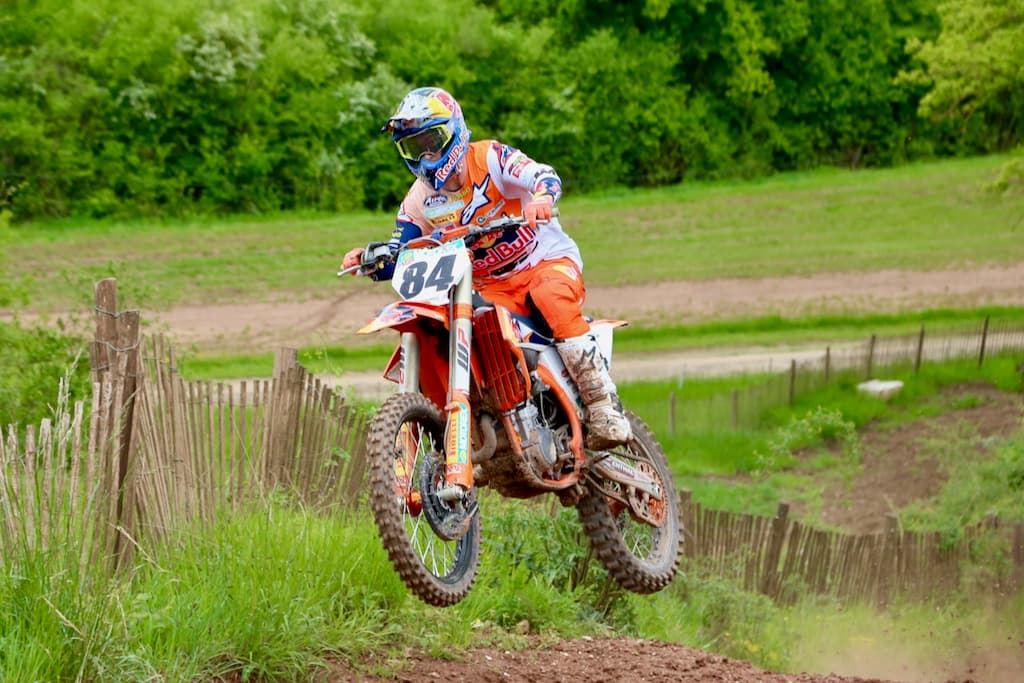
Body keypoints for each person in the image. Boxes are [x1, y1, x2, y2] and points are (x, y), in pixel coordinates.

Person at [342, 86, 630, 448]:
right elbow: (404, 249)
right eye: (414, 148)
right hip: (489, 286)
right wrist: (372, 259)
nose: (426, 155)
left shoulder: (491, 158)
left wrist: (542, 198)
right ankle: (486, 424)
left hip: (544, 262)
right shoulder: (418, 200)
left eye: (432, 141)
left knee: (549, 296)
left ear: (454, 131)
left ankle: (603, 404)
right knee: (460, 324)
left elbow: (542, 174)